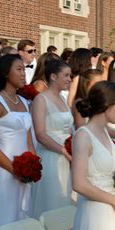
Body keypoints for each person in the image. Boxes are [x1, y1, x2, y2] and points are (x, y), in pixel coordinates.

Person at [72, 81, 115, 230]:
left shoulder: (105, 131)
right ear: (107, 105)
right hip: (95, 211)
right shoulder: (83, 135)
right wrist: (114, 200)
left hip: (112, 210)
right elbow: (78, 184)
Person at [0, 54, 35, 228]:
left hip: (24, 169)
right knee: (4, 216)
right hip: (4, 168)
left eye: (24, 69)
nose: (23, 74)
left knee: (21, 217)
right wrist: (15, 170)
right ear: (6, 73)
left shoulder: (24, 101)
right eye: (19, 69)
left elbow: (29, 141)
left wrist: (33, 166)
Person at [30, 59, 74, 220]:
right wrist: (63, 151)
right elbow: (40, 134)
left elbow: (69, 128)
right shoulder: (41, 100)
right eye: (66, 75)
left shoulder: (62, 98)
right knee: (51, 203)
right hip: (51, 157)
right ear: (53, 76)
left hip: (67, 157)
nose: (70, 79)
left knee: (65, 202)